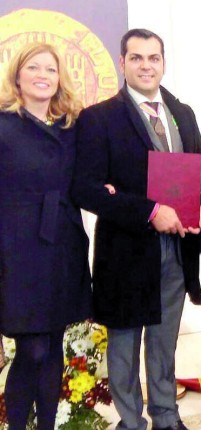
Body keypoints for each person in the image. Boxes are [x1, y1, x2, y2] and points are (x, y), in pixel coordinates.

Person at [71, 29, 201, 430]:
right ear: (122, 62)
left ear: (163, 63)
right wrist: (149, 212)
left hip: (178, 247)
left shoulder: (183, 113)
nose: (146, 65)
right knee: (125, 345)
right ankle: (131, 421)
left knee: (164, 343)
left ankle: (167, 415)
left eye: (153, 58)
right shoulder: (98, 118)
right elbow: (86, 189)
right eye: (137, 58)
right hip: (127, 251)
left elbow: (200, 171)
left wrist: (199, 204)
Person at [0, 42, 91, 430]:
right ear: (17, 76)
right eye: (33, 68)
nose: (42, 75)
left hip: (63, 245)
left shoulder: (71, 127)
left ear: (59, 78)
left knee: (54, 344)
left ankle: (48, 426)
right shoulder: (3, 125)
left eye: (50, 69)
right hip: (16, 250)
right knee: (32, 347)